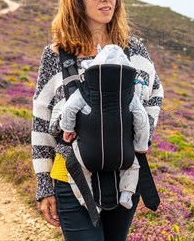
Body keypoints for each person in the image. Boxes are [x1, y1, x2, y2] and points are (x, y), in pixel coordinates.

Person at [31, 0, 164, 240]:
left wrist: (142, 133)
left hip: (125, 172)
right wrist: (44, 185)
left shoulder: (133, 49)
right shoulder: (56, 54)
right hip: (70, 174)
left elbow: (155, 94)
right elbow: (41, 119)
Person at [49, 44, 150, 211]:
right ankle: (126, 193)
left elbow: (69, 109)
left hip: (88, 153)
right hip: (123, 154)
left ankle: (88, 203)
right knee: (133, 166)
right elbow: (142, 120)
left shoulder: (85, 91)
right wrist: (141, 145)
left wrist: (68, 129)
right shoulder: (129, 96)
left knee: (78, 172)